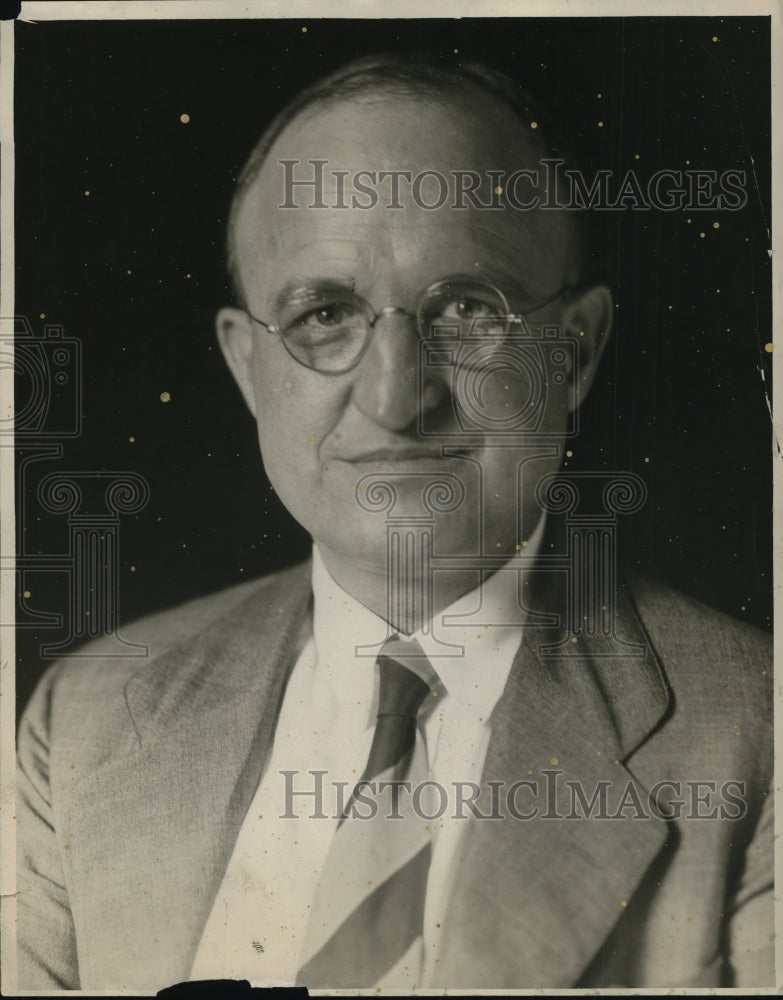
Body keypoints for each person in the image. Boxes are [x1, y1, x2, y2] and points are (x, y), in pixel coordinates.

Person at [15, 54, 772, 992]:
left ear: (572, 355)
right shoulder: (83, 721)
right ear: (249, 368)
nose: (395, 396)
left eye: (465, 307)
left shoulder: (759, 738)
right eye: (323, 314)